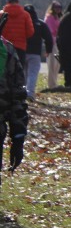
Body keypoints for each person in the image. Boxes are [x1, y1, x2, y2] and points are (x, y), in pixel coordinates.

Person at [0, 30, 28, 188]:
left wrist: (18, 137)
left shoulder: (5, 50)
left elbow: (17, 95)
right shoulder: (6, 49)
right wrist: (18, 136)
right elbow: (17, 95)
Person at [22, 5, 53, 101]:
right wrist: (48, 50)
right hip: (35, 53)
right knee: (32, 74)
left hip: (22, 51)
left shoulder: (21, 23)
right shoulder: (40, 24)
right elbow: (49, 38)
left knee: (23, 74)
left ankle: (21, 93)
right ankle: (30, 93)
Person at [1, 0, 34, 67]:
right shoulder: (25, 15)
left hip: (4, 47)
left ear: (7, 1)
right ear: (17, 1)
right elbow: (30, 32)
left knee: (5, 69)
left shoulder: (1, 15)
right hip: (20, 47)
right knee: (19, 69)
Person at [44, 1, 62, 89]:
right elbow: (50, 31)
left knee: (57, 64)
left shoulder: (57, 17)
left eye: (59, 7)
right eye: (56, 7)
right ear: (52, 8)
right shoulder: (49, 17)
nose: (58, 9)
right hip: (51, 43)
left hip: (57, 43)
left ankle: (54, 82)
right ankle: (51, 84)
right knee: (52, 64)